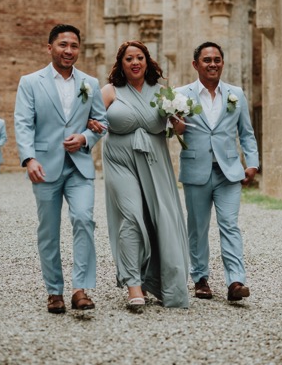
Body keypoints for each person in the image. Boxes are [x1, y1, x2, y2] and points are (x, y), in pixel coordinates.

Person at [14, 24, 107, 314]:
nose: (69, 51)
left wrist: (85, 137)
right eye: (63, 45)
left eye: (74, 46)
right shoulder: (30, 82)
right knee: (48, 231)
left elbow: (101, 121)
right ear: (50, 47)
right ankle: (54, 291)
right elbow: (24, 122)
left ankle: (80, 289)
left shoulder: (90, 83)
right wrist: (29, 159)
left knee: (83, 220)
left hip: (79, 166)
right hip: (44, 166)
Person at [99, 40, 190, 310]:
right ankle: (133, 285)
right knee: (131, 215)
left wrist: (178, 118)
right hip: (119, 160)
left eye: (140, 57)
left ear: (147, 61)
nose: (135, 62)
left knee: (160, 219)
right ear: (121, 64)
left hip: (154, 161)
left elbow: (181, 129)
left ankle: (159, 282)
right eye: (129, 59)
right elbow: (91, 121)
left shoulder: (163, 93)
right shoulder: (109, 91)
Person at [174, 42, 259, 302]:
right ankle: (200, 278)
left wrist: (252, 163)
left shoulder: (236, 94)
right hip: (196, 168)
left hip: (229, 171)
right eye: (207, 60)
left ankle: (236, 280)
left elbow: (246, 133)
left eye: (217, 60)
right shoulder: (180, 94)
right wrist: (175, 126)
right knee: (197, 227)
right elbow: (170, 130)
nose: (213, 64)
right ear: (195, 64)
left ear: (222, 62)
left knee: (230, 225)